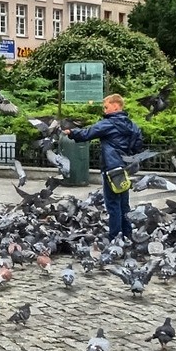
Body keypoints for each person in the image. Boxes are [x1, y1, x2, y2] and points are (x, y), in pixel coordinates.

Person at [64, 94, 143, 241]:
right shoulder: (132, 125)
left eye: (106, 107)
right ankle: (127, 235)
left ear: (116, 106)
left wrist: (71, 132)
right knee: (124, 204)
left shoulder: (109, 123)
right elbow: (138, 145)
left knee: (113, 205)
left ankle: (115, 238)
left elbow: (87, 133)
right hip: (124, 169)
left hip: (111, 169)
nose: (105, 110)